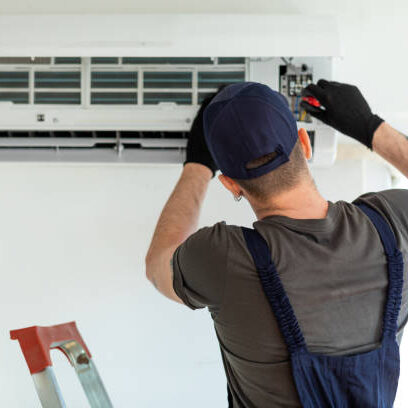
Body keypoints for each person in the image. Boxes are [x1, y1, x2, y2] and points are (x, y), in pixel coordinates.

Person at [145, 80, 408, 407]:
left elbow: (158, 267)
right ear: (304, 143)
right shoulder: (393, 224)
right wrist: (370, 127)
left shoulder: (224, 257)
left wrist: (197, 167)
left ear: (229, 184)